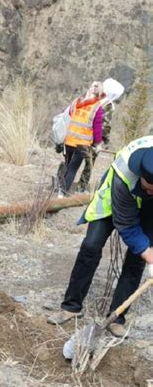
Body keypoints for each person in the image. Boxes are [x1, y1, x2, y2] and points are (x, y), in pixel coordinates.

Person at [48, 136, 153, 336]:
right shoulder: (126, 175)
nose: (149, 192)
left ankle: (116, 317)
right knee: (91, 246)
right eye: (148, 188)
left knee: (137, 259)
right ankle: (71, 307)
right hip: (115, 200)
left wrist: (148, 253)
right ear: (141, 174)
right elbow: (126, 224)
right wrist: (149, 254)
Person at [58, 81, 105, 195]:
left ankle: (60, 189)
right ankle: (62, 193)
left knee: (68, 166)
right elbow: (97, 128)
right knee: (73, 169)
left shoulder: (76, 101)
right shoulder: (97, 107)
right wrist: (98, 144)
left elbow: (69, 114)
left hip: (69, 140)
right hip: (82, 144)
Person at [78, 78, 124, 191]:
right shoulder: (108, 105)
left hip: (78, 131)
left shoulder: (90, 96)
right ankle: (81, 187)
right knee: (89, 162)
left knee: (73, 159)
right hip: (93, 137)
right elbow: (105, 126)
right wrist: (105, 140)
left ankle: (63, 183)